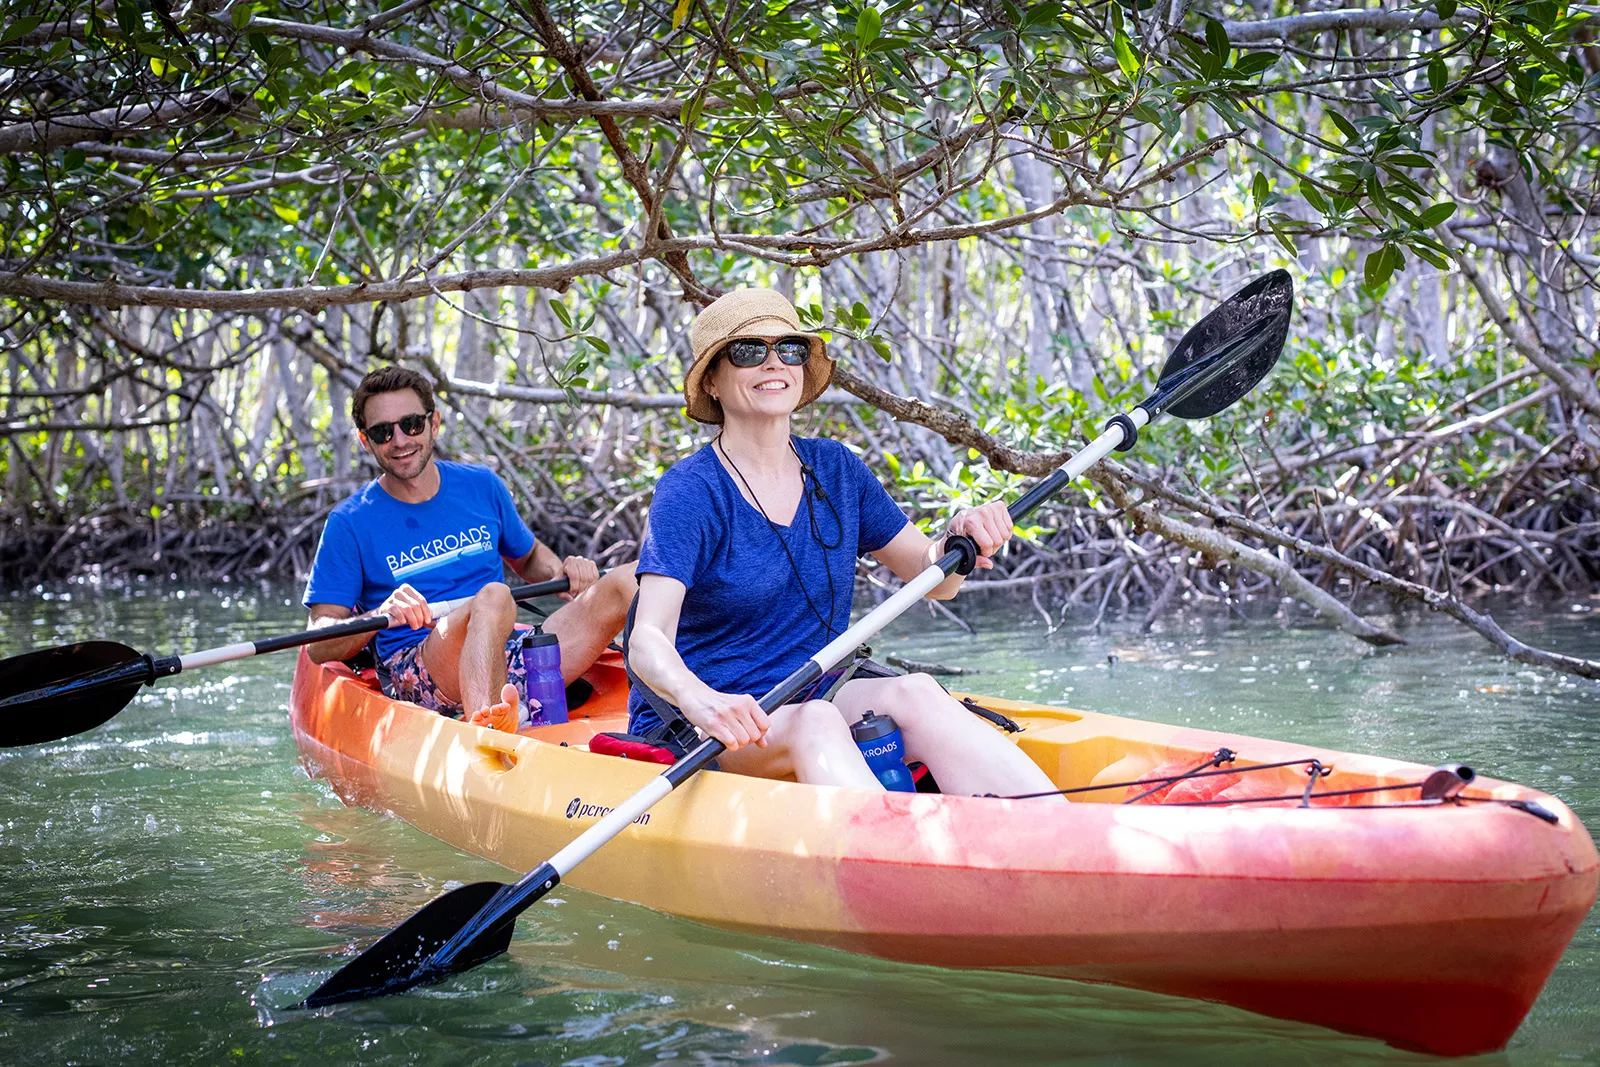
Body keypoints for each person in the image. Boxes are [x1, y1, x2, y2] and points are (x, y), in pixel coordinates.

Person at [626, 288, 1062, 797]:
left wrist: (960, 538)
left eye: (789, 348)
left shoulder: (835, 467)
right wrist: (699, 699)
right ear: (714, 382)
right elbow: (646, 641)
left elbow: (932, 578)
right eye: (748, 351)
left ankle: (1059, 829)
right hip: (714, 721)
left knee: (917, 691)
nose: (774, 362)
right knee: (816, 723)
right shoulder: (691, 489)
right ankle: (895, 860)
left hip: (815, 692)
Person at [303, 366, 637, 730]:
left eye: (411, 424)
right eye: (383, 432)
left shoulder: (481, 485)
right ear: (366, 441)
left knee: (629, 578)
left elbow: (528, 557)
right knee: (493, 596)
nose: (399, 440)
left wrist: (564, 571)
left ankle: (684, 708)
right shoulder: (348, 523)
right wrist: (377, 614)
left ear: (434, 423)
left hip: (505, 651)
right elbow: (319, 644)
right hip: (422, 667)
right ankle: (489, 736)